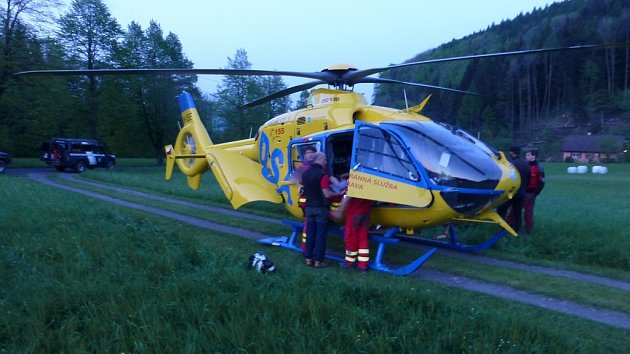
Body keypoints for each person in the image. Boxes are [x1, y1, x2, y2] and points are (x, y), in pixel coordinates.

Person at [302, 152, 337, 268]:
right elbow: (326, 194)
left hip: (308, 208)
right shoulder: (323, 175)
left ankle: (308, 258)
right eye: (325, 160)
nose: (326, 162)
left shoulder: (305, 173)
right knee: (320, 235)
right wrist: (337, 192)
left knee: (310, 233)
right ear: (320, 160)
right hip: (320, 209)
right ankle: (318, 261)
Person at [331, 196, 374, 272]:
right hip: (366, 213)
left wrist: (339, 211)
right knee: (363, 239)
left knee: (350, 238)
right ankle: (363, 265)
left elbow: (347, 196)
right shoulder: (370, 184)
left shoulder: (354, 184)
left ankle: (349, 263)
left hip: (354, 213)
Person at [497, 146, 530, 233]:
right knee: (517, 212)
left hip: (511, 192)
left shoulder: (510, 164)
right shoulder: (526, 164)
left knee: (501, 210)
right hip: (522, 192)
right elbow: (528, 178)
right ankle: (516, 230)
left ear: (512, 152)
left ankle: (502, 229)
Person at [524, 149, 544, 233]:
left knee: (528, 211)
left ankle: (528, 229)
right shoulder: (525, 165)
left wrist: (536, 192)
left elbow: (542, 181)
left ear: (534, 156)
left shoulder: (539, 167)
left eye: (528, 155)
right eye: (526, 155)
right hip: (522, 191)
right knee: (514, 210)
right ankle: (510, 227)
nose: (526, 157)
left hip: (531, 192)